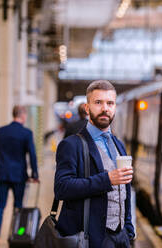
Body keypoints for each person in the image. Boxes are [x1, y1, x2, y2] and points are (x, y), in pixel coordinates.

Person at [55, 80, 135, 248]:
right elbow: (62, 187)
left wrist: (128, 230)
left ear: (115, 107)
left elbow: (125, 191)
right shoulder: (71, 145)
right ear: (87, 107)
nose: (105, 108)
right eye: (98, 102)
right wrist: (106, 180)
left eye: (110, 103)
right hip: (91, 238)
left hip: (120, 238)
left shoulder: (119, 144)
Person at [0, 105, 39, 248]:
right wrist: (34, 174)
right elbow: (32, 155)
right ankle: (16, 234)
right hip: (19, 176)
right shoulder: (26, 133)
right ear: (22, 115)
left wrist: (2, 157)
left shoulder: (0, 131)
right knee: (18, 208)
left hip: (2, 173)